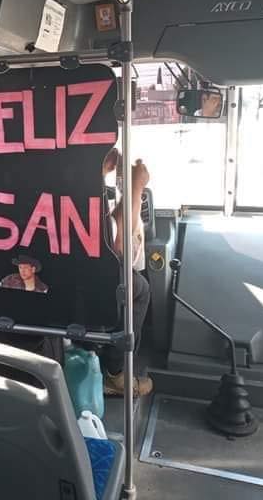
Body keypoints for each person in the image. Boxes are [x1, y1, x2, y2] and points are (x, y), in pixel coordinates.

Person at [101, 148, 153, 397]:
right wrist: (137, 186)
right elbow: (119, 244)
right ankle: (116, 373)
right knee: (139, 288)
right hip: (93, 273)